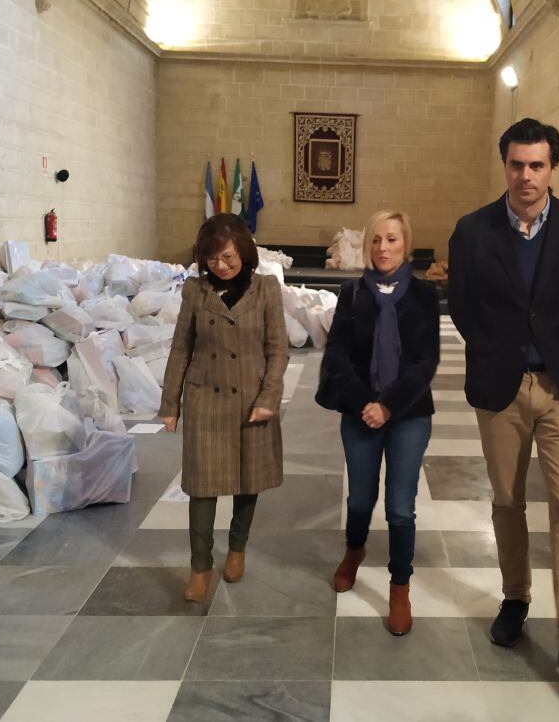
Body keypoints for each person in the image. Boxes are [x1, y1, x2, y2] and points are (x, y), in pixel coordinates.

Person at [447, 118, 559, 685]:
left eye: (537, 165)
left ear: (552, 169)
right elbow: (464, 309)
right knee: (507, 500)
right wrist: (502, 352)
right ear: (506, 166)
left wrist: (550, 348)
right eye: (517, 164)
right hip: (502, 388)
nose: (526, 175)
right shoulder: (473, 231)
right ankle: (515, 598)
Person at [318, 210, 440, 636]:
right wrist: (363, 403)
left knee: (400, 509)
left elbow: (426, 361)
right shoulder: (352, 294)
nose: (383, 248)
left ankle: (399, 585)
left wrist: (387, 406)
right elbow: (336, 357)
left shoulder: (424, 296)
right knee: (359, 501)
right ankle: (355, 550)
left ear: (406, 243)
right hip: (358, 411)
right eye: (375, 240)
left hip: (407, 414)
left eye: (391, 239)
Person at [159, 214, 289, 602]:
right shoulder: (195, 292)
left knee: (248, 481)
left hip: (251, 399)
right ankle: (200, 566)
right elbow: (181, 347)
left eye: (229, 257)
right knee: (201, 487)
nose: (222, 266)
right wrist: (170, 403)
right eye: (213, 259)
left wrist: (269, 398)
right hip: (206, 401)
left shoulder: (266, 289)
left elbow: (277, 350)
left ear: (245, 253)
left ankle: (237, 548)